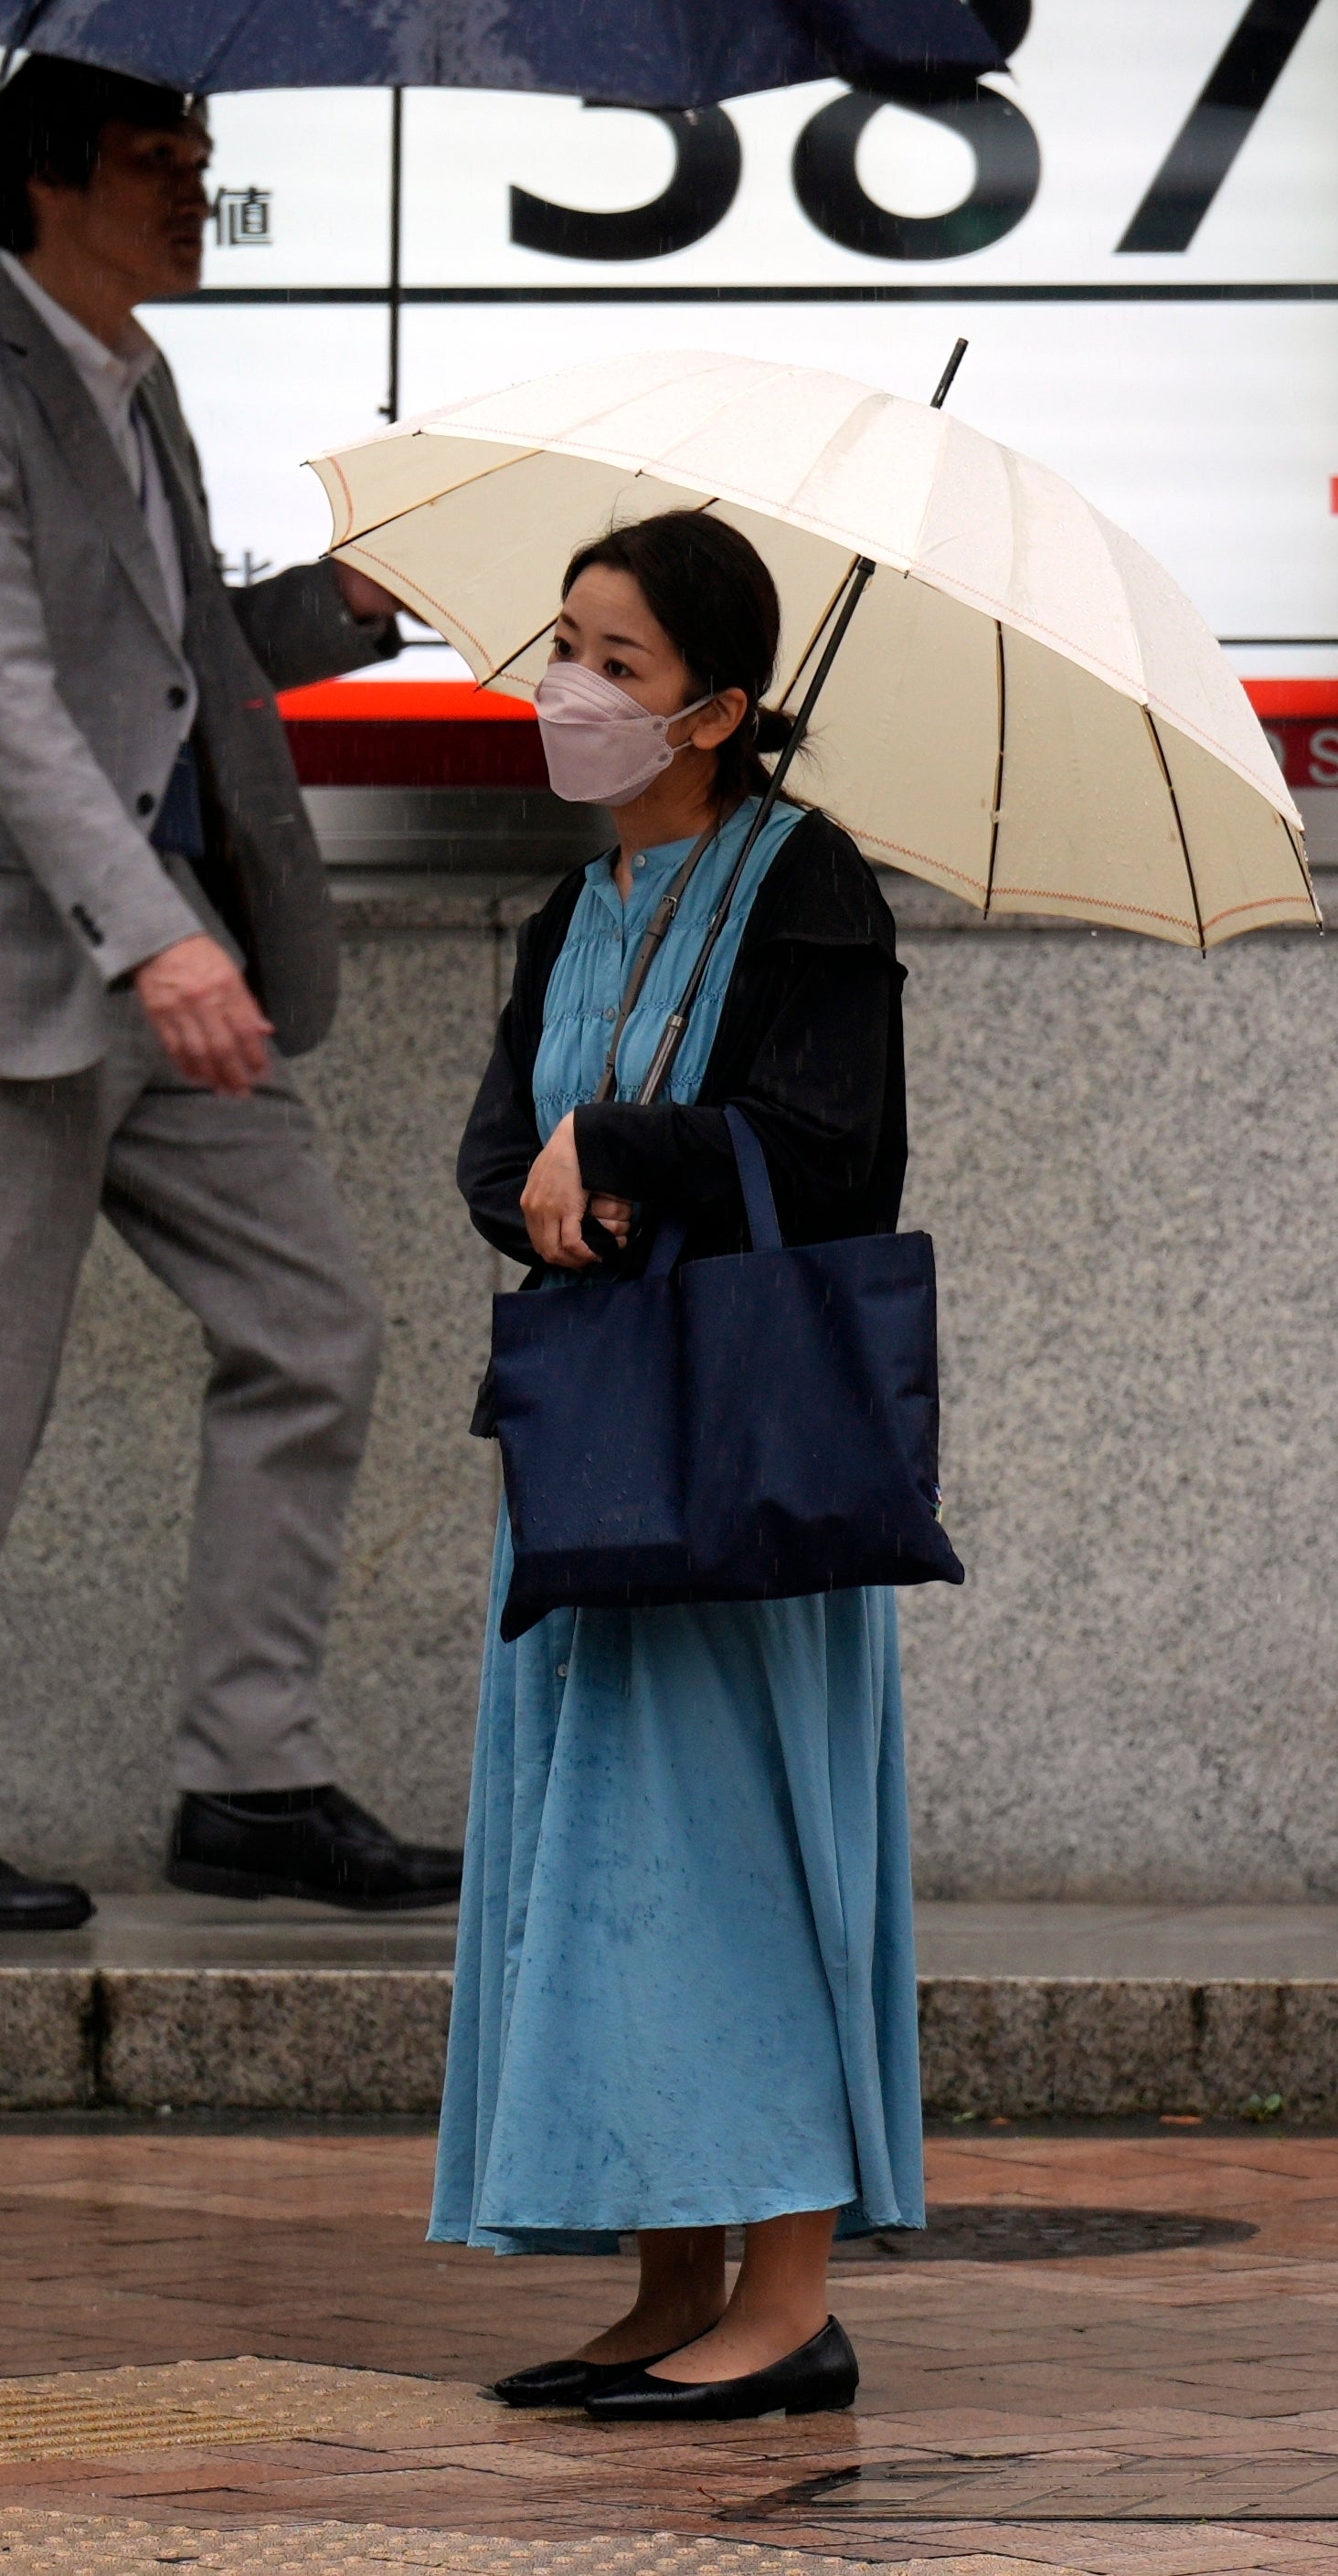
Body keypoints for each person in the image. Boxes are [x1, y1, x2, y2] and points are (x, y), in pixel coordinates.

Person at [0, 57, 461, 1931]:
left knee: (313, 1321)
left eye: (203, 162)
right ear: (50, 181)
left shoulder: (132, 382)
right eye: (163, 165)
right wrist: (153, 937)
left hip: (163, 958)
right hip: (27, 973)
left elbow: (168, 671)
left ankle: (250, 1776)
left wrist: (339, 603)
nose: (195, 192)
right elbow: (3, 704)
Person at [433, 509, 922, 2423]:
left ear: (718, 708)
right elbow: (496, 1145)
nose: (571, 684)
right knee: (607, 1856)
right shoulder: (575, 905)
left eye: (616, 661)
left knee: (737, 1851)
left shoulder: (809, 887)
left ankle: (786, 2296)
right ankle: (666, 2278)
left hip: (740, 1462)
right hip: (589, 1437)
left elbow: (835, 1151)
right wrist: (549, 1193)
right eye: (564, 641)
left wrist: (623, 1151)